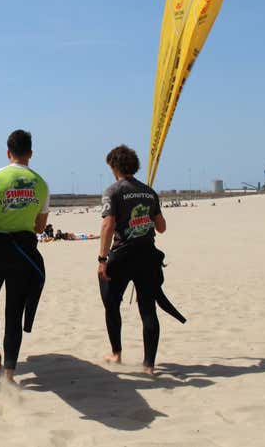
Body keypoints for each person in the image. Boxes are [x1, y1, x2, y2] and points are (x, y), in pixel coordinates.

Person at [97, 145, 185, 375]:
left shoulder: (113, 191)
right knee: (148, 309)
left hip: (123, 254)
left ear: (114, 166)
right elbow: (161, 227)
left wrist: (102, 259)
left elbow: (108, 225)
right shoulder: (149, 192)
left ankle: (116, 353)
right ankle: (149, 365)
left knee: (111, 303)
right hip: (147, 254)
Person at [0, 129, 49, 384]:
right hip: (24, 252)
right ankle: (9, 374)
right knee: (14, 312)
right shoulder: (42, 184)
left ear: (8, 153)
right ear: (30, 153)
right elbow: (40, 227)